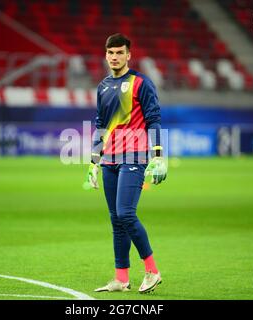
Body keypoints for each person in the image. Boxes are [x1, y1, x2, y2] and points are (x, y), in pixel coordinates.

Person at [83, 33, 167, 294]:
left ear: (129, 55)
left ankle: (152, 271)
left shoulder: (141, 83)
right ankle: (121, 278)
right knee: (116, 220)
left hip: (134, 156)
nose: (115, 57)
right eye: (111, 53)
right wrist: (93, 162)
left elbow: (153, 119)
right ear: (105, 55)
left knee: (125, 214)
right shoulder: (103, 86)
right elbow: (100, 125)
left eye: (120, 52)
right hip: (109, 159)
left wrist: (158, 156)